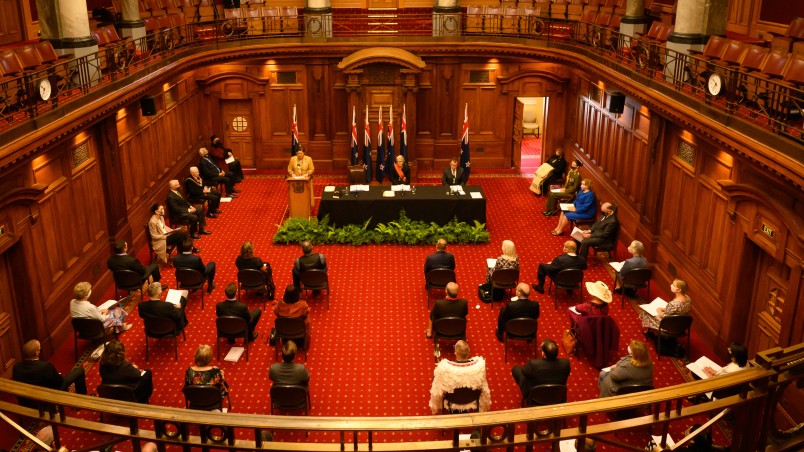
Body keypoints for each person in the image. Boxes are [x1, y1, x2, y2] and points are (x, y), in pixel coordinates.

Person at [12, 340, 88, 409]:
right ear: (36, 353)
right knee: (79, 371)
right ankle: (81, 402)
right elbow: (59, 383)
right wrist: (58, 375)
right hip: (45, 400)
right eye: (40, 349)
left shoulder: (16, 367)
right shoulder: (45, 367)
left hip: (26, 401)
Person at [428, 340, 491, 414]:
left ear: (456, 353)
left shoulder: (444, 369)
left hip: (451, 399)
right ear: (468, 353)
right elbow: (483, 387)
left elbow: (437, 390)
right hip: (471, 398)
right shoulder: (479, 366)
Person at [99, 339, 153, 404]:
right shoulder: (125, 367)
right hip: (125, 393)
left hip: (110, 393)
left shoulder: (102, 364)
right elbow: (138, 375)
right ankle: (143, 399)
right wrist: (134, 368)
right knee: (147, 374)